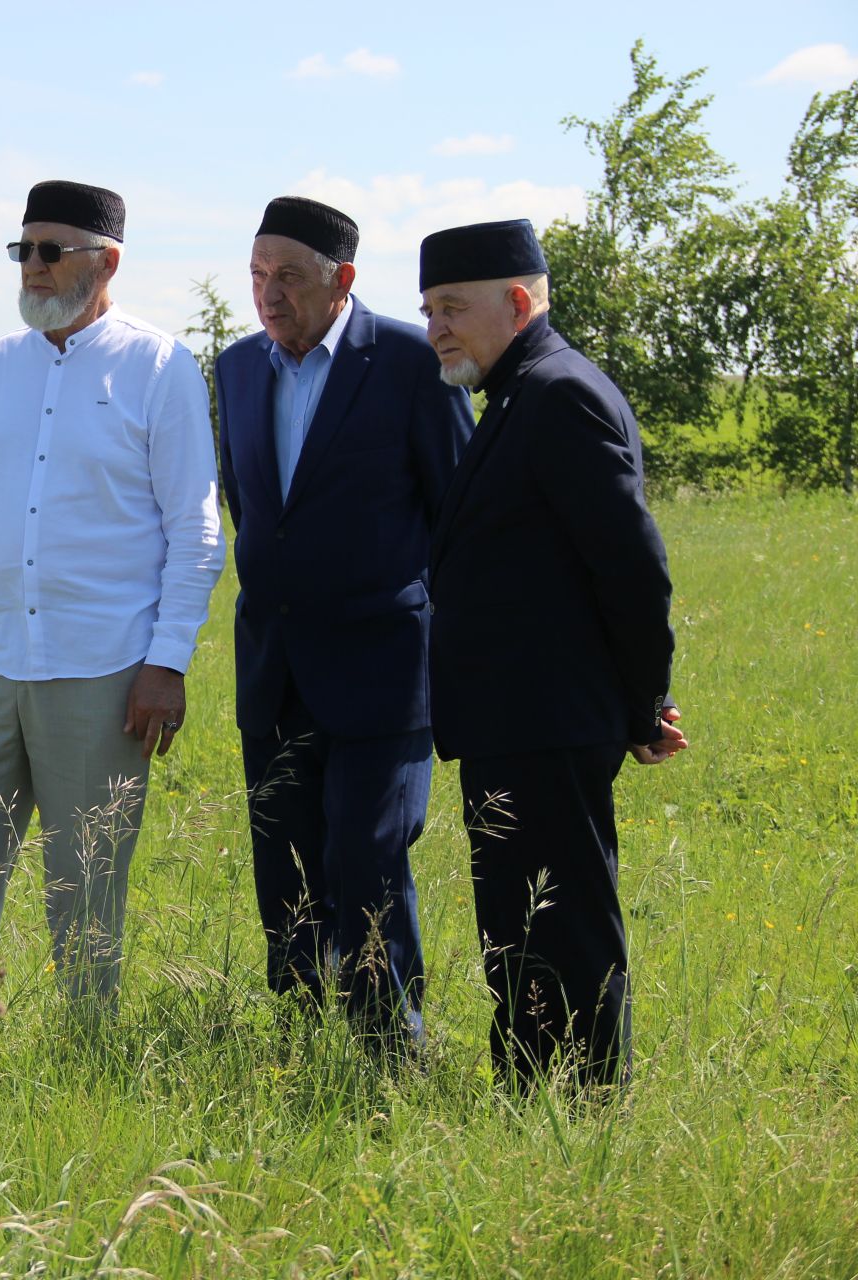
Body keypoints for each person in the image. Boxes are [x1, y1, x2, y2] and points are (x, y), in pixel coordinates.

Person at [0, 179, 224, 1024]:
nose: (34, 269)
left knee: (84, 883)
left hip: (105, 670)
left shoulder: (159, 367)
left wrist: (167, 662)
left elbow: (194, 531)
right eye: (24, 251)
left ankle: (87, 1054)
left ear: (106, 261)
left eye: (52, 252)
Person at [418, 218, 687, 1089]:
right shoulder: (520, 394)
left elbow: (633, 566)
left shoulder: (559, 392)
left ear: (518, 302)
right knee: (522, 926)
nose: (438, 330)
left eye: (454, 308)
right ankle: (536, 1097)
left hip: (545, 721)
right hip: (515, 722)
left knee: (561, 924)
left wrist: (644, 705)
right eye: (428, 312)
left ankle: (584, 1106)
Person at [213, 196, 475, 1052]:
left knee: (367, 866)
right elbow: (249, 508)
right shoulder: (238, 369)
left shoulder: (406, 360)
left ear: (343, 281)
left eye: (288, 275)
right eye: (257, 275)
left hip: (384, 674)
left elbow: (459, 517)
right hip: (274, 671)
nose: (268, 294)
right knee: (282, 872)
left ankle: (389, 1053)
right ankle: (295, 1044)